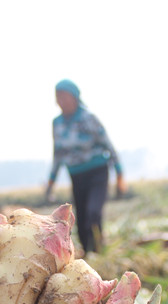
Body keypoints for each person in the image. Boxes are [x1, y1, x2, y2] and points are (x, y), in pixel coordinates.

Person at [44, 79, 126, 254]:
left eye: (64, 96)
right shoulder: (57, 123)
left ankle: (98, 250)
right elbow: (58, 155)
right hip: (77, 175)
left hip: (97, 173)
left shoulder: (88, 119)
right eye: (58, 97)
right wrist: (50, 183)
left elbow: (108, 145)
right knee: (80, 221)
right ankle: (88, 255)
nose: (61, 101)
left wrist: (119, 175)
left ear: (75, 97)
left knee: (93, 213)